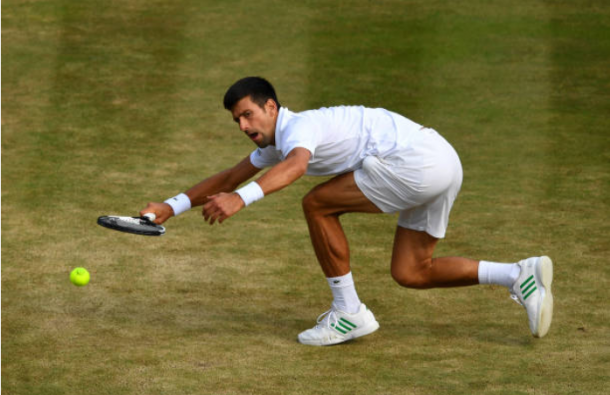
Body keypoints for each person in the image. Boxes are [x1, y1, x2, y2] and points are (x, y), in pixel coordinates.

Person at [141, 76, 554, 346]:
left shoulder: (300, 128)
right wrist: (171, 206)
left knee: (316, 203)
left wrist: (241, 199)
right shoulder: (272, 145)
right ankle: (518, 274)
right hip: (443, 159)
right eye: (237, 121)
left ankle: (348, 313)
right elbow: (230, 174)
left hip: (415, 161)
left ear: (272, 107)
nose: (244, 126)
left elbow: (297, 166)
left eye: (248, 114)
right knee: (411, 271)